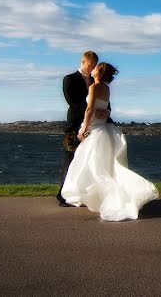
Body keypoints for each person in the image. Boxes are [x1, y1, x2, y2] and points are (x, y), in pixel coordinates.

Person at [60, 62, 159, 221]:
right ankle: (98, 197)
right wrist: (104, 112)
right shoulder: (106, 88)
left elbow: (90, 108)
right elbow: (103, 107)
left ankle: (99, 196)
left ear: (99, 72)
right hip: (103, 128)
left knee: (92, 164)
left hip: (94, 128)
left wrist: (84, 128)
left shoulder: (93, 87)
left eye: (96, 68)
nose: (92, 70)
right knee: (100, 165)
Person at [57, 50, 99, 206]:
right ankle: (62, 195)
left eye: (94, 66)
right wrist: (91, 110)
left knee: (87, 159)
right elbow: (72, 102)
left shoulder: (95, 82)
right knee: (70, 159)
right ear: (83, 62)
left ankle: (81, 194)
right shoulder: (69, 79)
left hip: (93, 125)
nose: (92, 68)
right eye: (90, 65)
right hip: (75, 124)